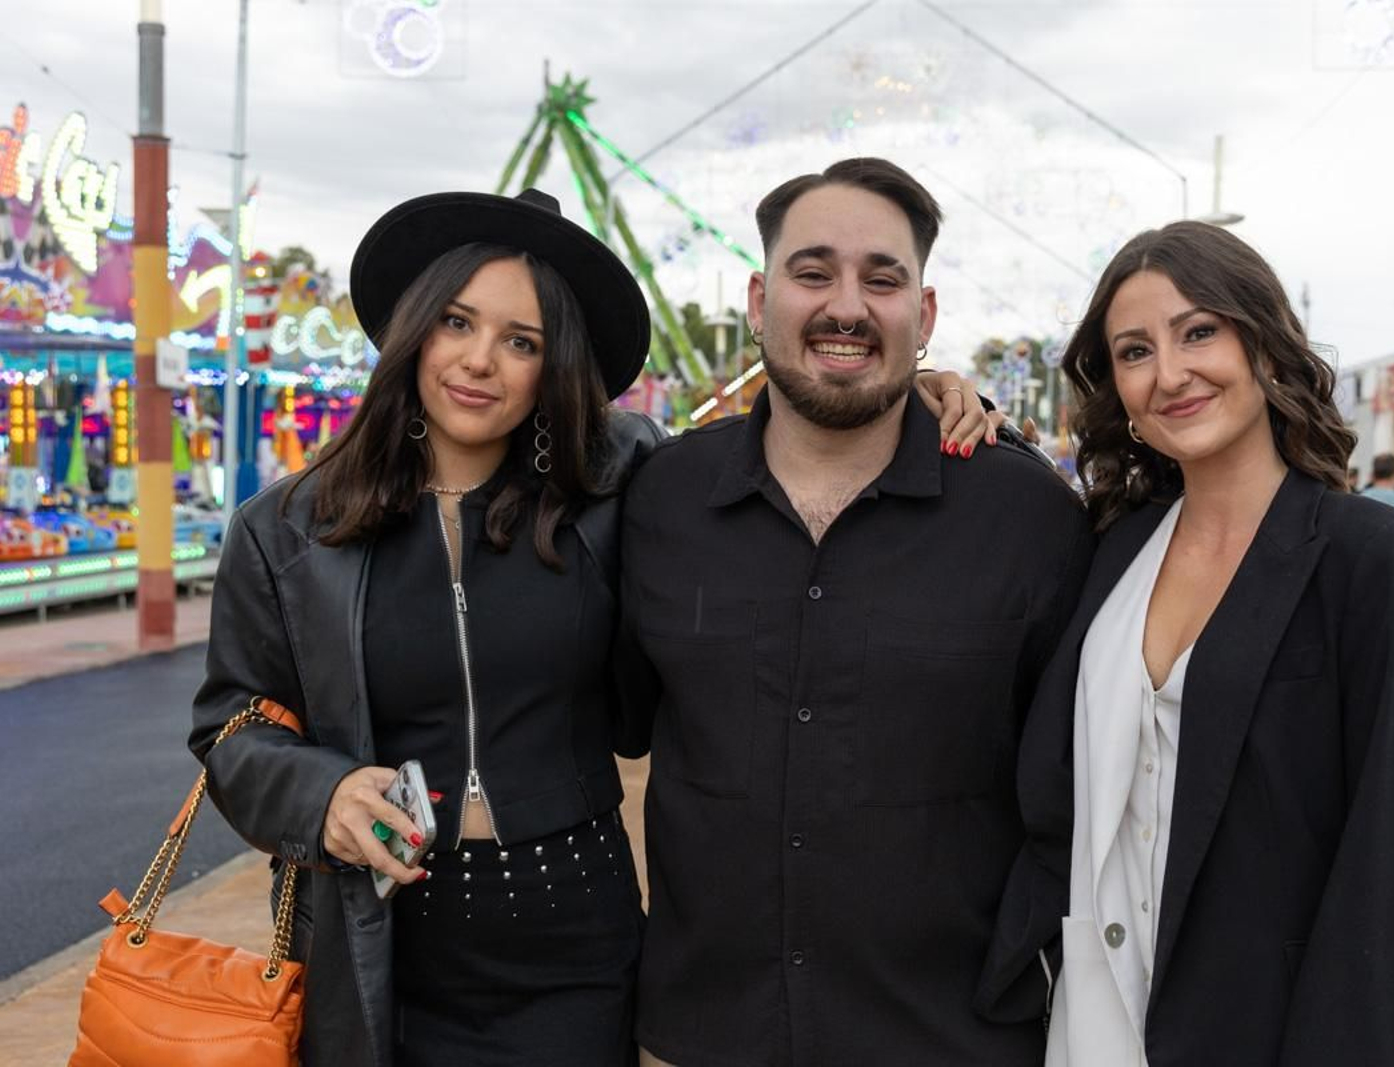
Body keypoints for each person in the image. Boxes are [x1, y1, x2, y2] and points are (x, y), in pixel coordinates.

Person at [188, 187, 1006, 1066]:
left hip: (576, 948)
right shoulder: (289, 530)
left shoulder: (618, 482)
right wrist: (322, 794)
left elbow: (779, 448)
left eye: (522, 341)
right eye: (457, 323)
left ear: (554, 365)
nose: (480, 361)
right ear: (414, 329)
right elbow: (230, 723)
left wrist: (914, 391)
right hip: (373, 943)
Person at [616, 157, 1095, 1065]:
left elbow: (1080, 796)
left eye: (882, 279)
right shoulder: (660, 501)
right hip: (703, 1036)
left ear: (926, 313)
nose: (847, 306)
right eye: (813, 272)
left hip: (952, 1039)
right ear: (759, 300)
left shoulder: (1029, 517)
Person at [981, 221, 1394, 1066]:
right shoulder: (1112, 548)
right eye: (1135, 351)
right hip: (1091, 1020)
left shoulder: (1375, 556)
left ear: (1265, 347)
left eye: (1198, 331)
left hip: (1277, 1030)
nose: (1170, 373)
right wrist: (935, 396)